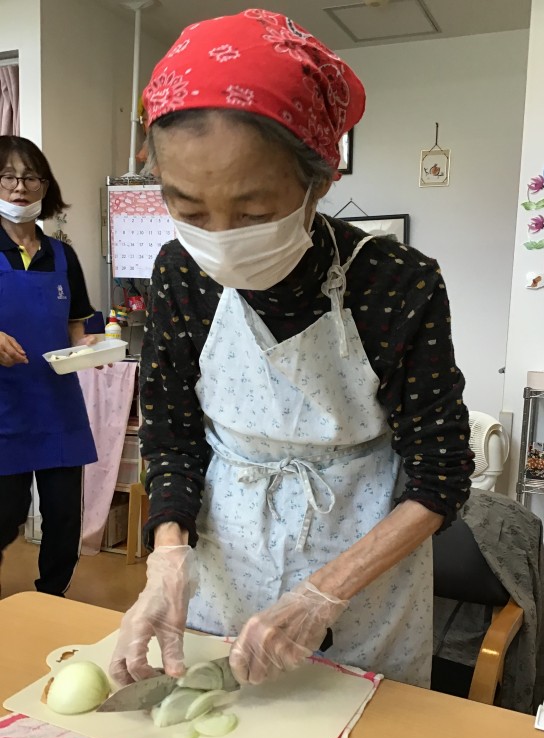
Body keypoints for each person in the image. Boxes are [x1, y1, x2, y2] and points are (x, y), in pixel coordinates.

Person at [110, 9, 474, 688]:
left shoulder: (396, 283)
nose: (220, 239)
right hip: (227, 550)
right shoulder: (179, 272)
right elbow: (173, 434)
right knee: (220, 719)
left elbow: (441, 477)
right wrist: (166, 557)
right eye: (188, 209)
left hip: (361, 567)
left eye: (252, 213)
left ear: (319, 182)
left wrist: (324, 593)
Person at [0, 135, 97, 596]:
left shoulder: (62, 255)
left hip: (58, 406)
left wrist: (89, 346)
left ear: (45, 186)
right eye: (7, 177)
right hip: (4, 408)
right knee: (5, 515)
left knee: (63, 516)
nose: (20, 187)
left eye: (31, 177)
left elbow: (76, 323)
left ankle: (53, 596)